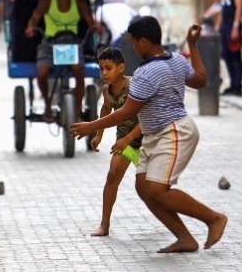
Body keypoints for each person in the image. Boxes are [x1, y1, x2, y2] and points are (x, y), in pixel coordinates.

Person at [70, 17, 227, 253]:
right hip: (153, 136)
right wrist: (192, 46)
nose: (133, 48)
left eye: (133, 43)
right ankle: (185, 238)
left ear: (143, 42)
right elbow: (201, 80)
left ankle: (213, 218)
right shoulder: (176, 59)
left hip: (173, 131)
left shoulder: (145, 73)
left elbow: (128, 111)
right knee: (144, 188)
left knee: (156, 190)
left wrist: (91, 126)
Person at [25, 0, 99, 123]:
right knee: (42, 72)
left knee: (79, 71)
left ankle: (77, 112)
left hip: (71, 42)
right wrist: (30, 27)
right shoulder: (46, 1)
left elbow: (90, 20)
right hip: (50, 43)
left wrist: (96, 28)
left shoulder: (79, 2)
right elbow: (34, 18)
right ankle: (47, 104)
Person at [86, 47, 143, 237]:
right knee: (112, 176)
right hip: (125, 139)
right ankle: (104, 225)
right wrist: (99, 134)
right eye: (101, 68)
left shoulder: (132, 86)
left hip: (147, 139)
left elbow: (146, 117)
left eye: (108, 68)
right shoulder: (106, 90)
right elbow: (106, 109)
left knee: (152, 187)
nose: (104, 73)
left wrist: (128, 138)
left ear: (121, 68)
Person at [213, 0, 242, 96]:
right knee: (225, 54)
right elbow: (222, 7)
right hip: (225, 24)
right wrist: (218, 25)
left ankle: (237, 86)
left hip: (233, 24)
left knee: (235, 54)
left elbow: (239, 6)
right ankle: (232, 84)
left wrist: (236, 26)